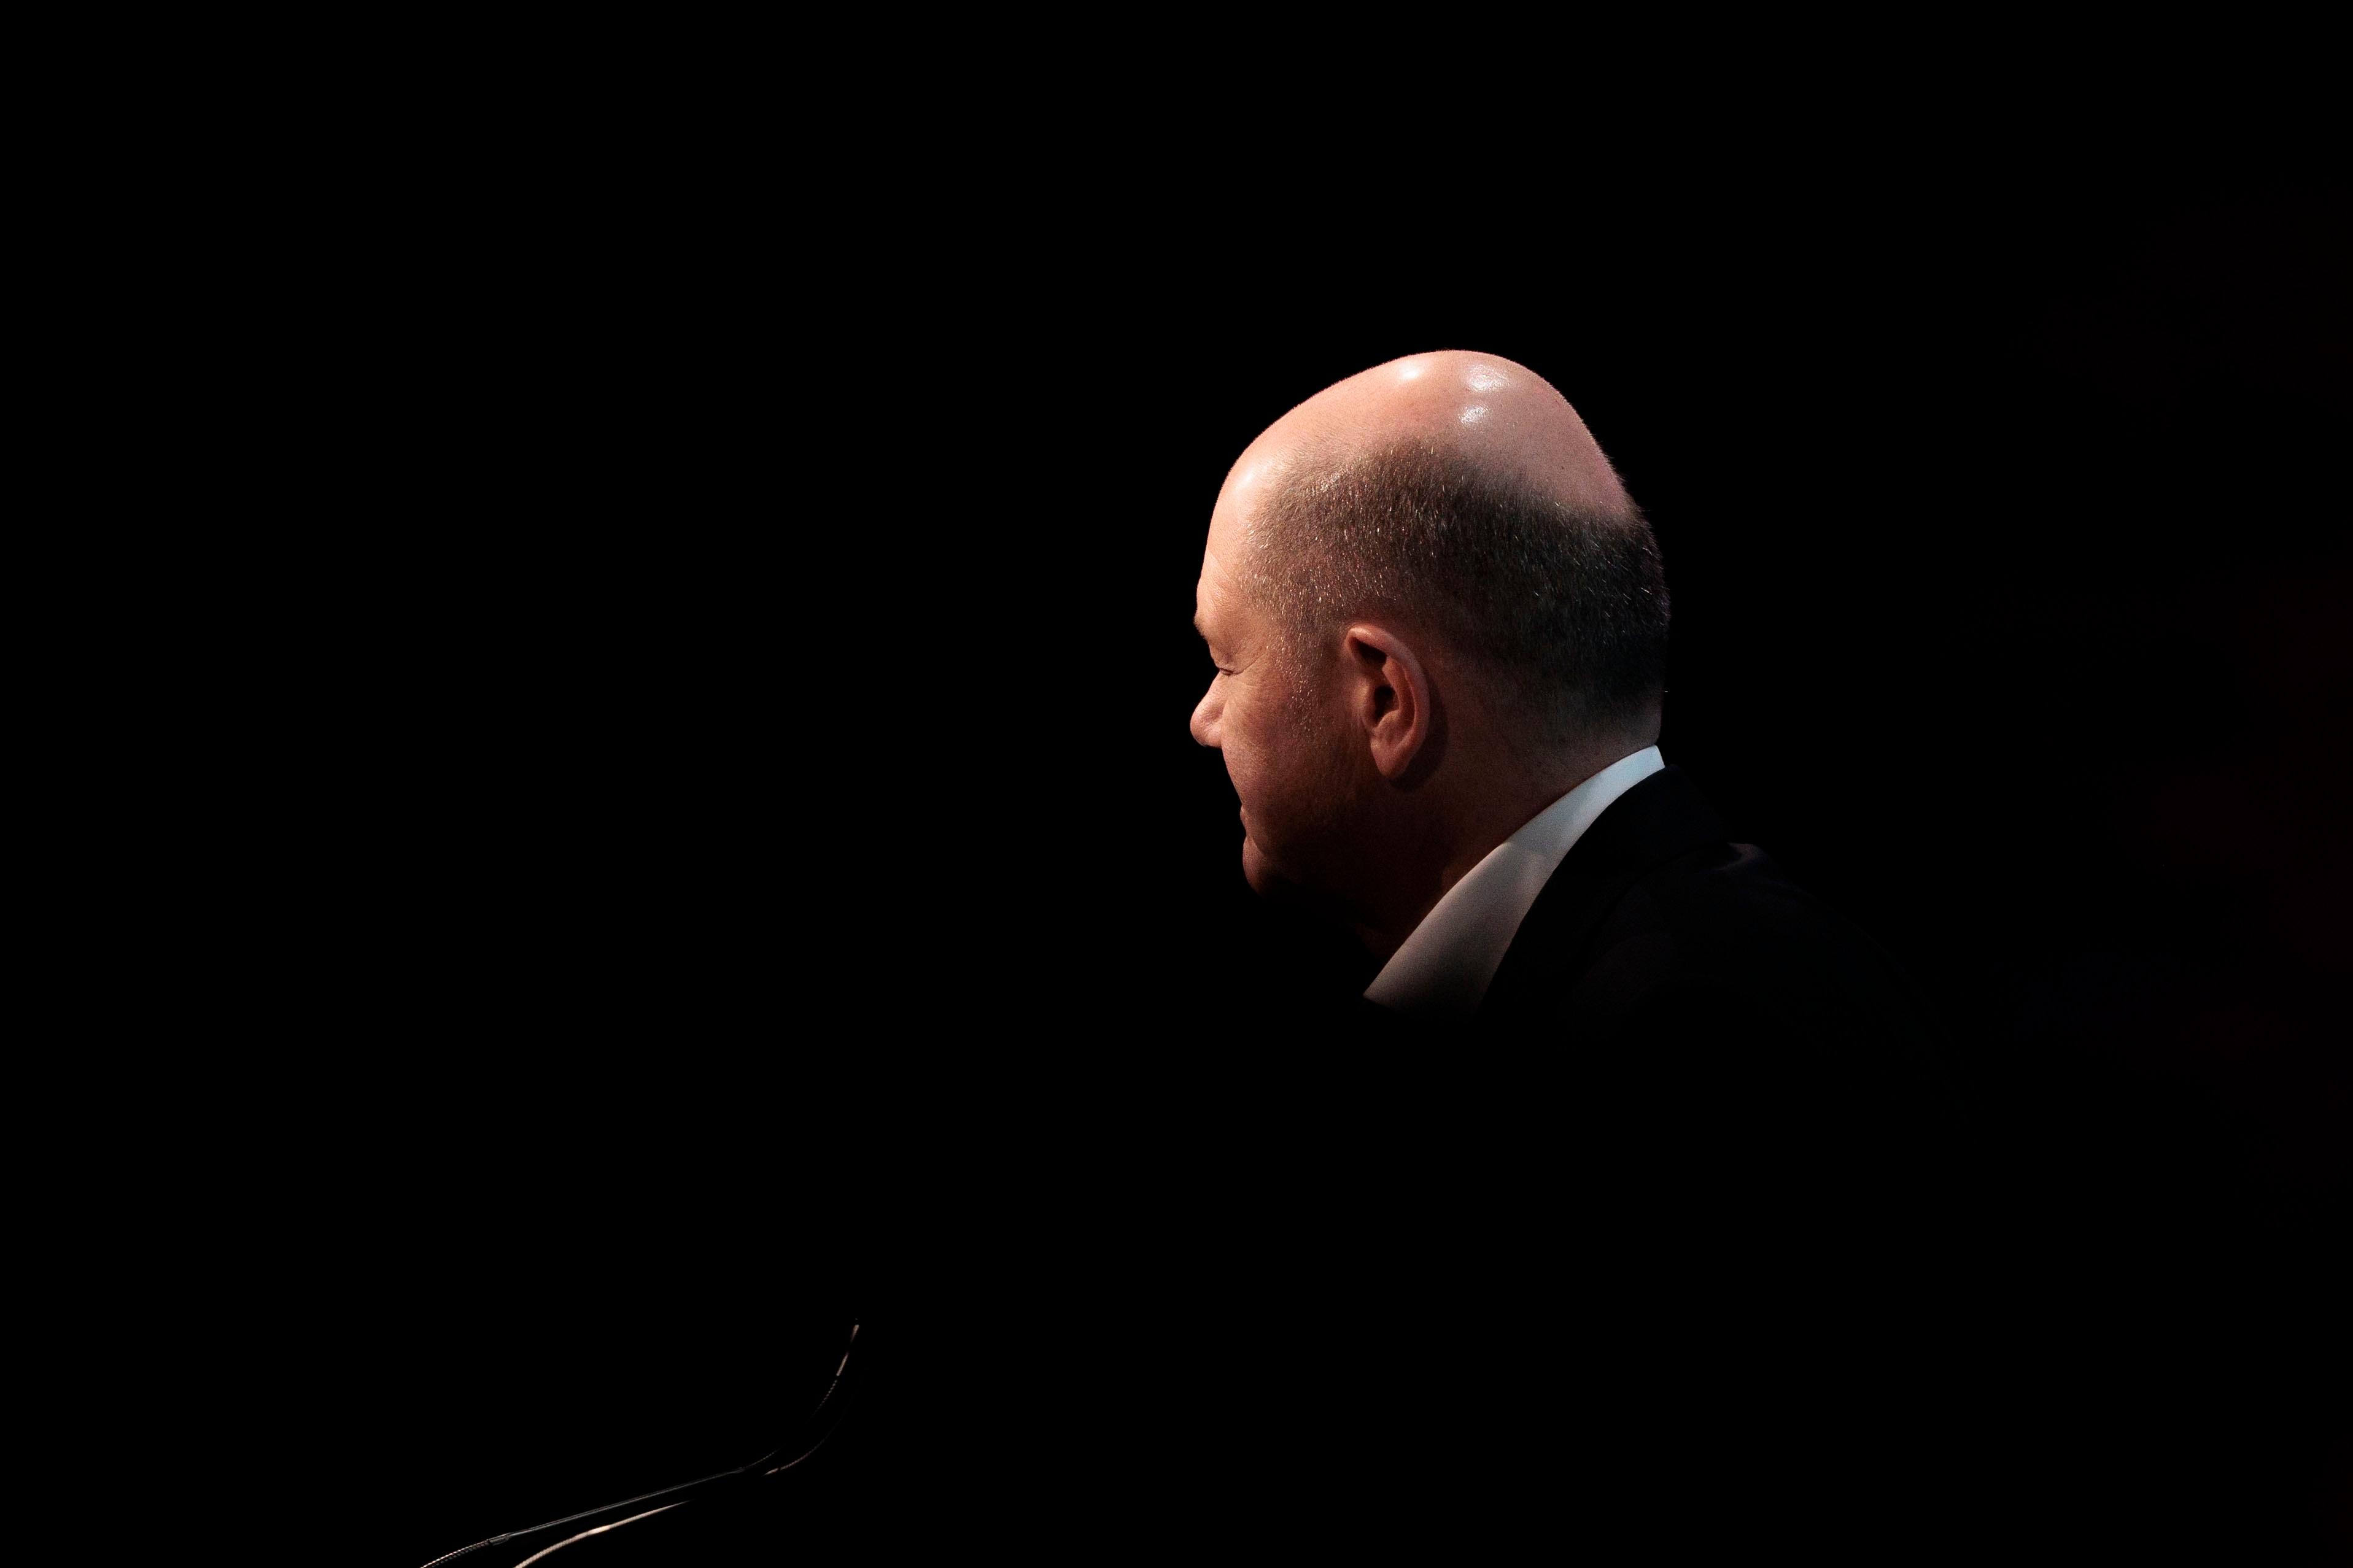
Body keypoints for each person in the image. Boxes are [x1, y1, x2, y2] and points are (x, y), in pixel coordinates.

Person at [1187, 350, 2006, 1558]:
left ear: (1385, 701)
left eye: (1226, 658)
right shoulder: (1717, 964)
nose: (1203, 719)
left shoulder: (1679, 1062)